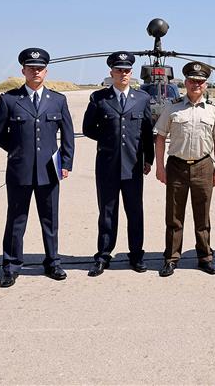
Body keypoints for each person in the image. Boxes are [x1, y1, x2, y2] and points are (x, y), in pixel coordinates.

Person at [0, 48, 75, 287]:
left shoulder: (58, 100)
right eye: (31, 68)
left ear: (46, 71)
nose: (35, 72)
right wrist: (16, 150)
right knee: (17, 219)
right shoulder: (9, 99)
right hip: (20, 170)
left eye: (40, 68)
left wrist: (66, 163)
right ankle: (11, 265)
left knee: (50, 219)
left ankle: (53, 262)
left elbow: (68, 134)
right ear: (23, 71)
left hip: (49, 171)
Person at [83, 52, 154, 276]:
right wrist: (107, 141)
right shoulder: (99, 98)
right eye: (118, 70)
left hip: (133, 166)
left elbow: (146, 133)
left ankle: (136, 255)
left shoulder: (141, 99)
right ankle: (103, 255)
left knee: (135, 212)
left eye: (126, 70)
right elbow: (88, 128)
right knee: (107, 213)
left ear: (131, 73)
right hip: (107, 165)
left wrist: (149, 159)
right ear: (111, 72)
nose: (123, 74)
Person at [154, 62, 215, 277]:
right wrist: (160, 167)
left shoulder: (213, 110)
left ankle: (205, 257)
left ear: (205, 85)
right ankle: (171, 258)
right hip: (176, 166)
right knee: (174, 216)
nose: (196, 85)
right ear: (185, 82)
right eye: (192, 81)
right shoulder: (172, 107)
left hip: (204, 166)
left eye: (200, 82)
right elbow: (159, 137)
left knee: (202, 217)